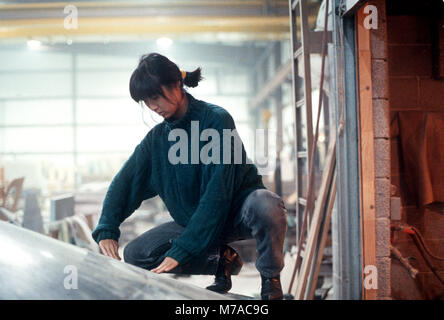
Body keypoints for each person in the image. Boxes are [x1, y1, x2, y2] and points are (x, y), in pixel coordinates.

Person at [91, 53, 288, 300]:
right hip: (194, 221)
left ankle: (270, 280)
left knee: (266, 204)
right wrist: (108, 227)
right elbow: (125, 181)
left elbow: (218, 193)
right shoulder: (157, 140)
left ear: (176, 84)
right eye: (146, 101)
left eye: (154, 96)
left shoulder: (216, 120)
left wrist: (183, 250)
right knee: (137, 254)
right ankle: (220, 261)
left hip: (237, 213)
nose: (152, 106)